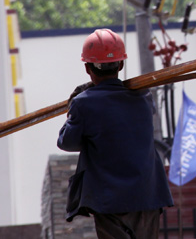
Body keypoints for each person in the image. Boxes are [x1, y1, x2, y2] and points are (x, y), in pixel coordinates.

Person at [57, 28, 173, 239]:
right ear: (120, 65)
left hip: (109, 200)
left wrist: (73, 106)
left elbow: (67, 142)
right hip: (147, 195)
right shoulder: (144, 97)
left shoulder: (84, 104)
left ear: (87, 68)